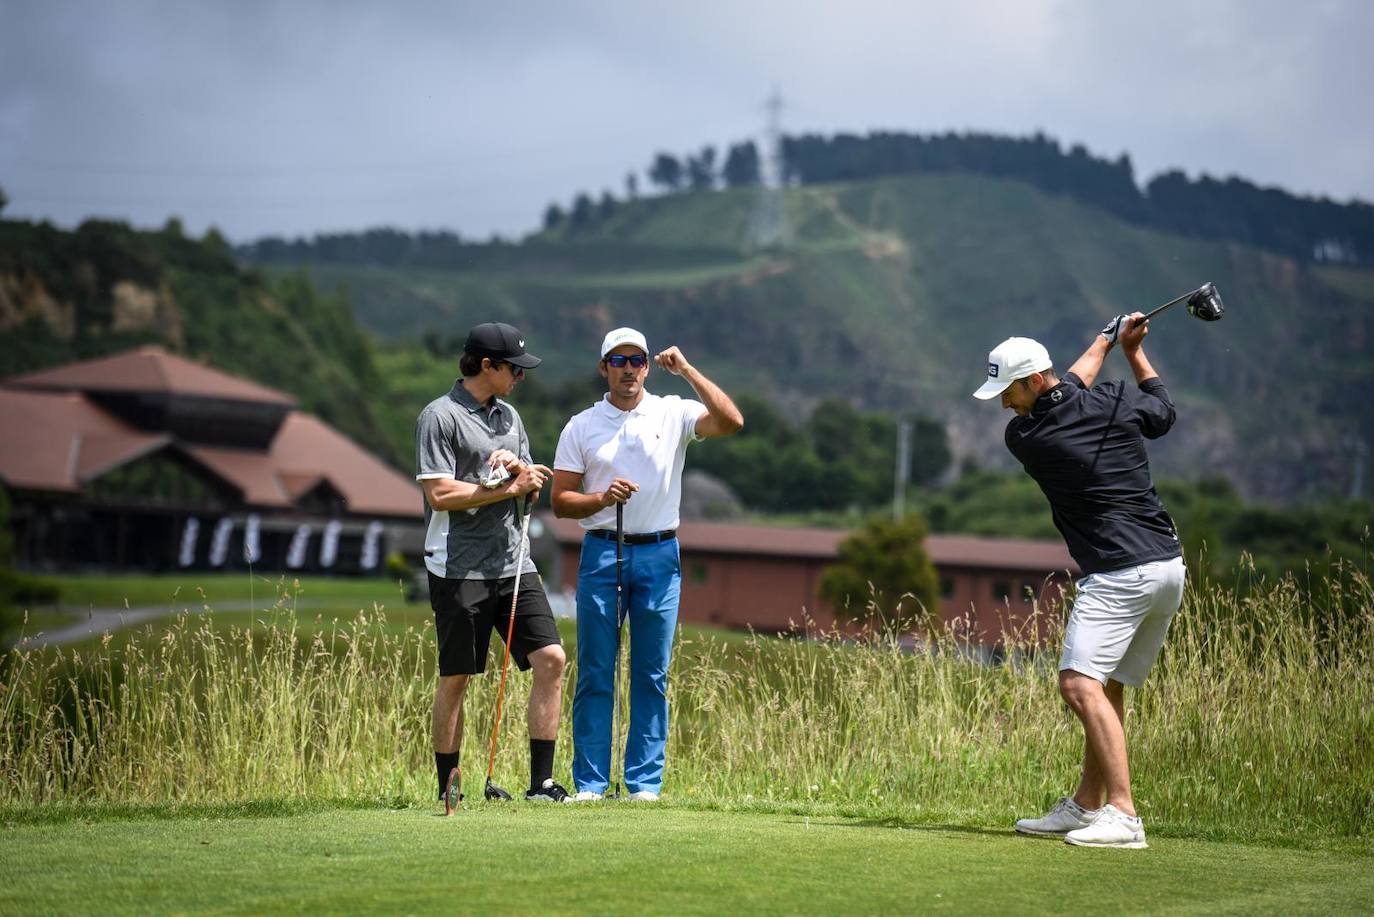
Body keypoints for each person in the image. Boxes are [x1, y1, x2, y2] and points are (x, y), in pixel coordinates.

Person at [972, 312, 1185, 849]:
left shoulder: (1028, 435)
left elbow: (1066, 387)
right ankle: (1088, 806)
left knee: (1076, 684)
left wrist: (1105, 343)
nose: (1003, 403)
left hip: (1118, 573)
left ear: (1033, 381)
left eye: (1008, 390)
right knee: (1106, 686)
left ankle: (1124, 814)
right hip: (1166, 567)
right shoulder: (1114, 401)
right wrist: (1125, 349)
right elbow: (1160, 410)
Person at [552, 327, 743, 801]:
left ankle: (644, 784)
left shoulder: (672, 410)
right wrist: (601, 496)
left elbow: (731, 421)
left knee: (651, 672)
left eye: (637, 360)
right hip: (602, 549)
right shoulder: (582, 425)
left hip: (660, 552)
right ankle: (591, 784)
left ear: (645, 366)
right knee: (597, 668)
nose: (629, 369)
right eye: (618, 361)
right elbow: (560, 501)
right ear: (604, 368)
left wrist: (688, 370)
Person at [415, 321, 570, 812]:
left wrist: (524, 472)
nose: (520, 378)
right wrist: (502, 486)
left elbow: (527, 483)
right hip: (459, 568)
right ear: (487, 366)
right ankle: (449, 786)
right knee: (458, 677)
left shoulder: (511, 417)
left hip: (513, 562)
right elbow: (439, 494)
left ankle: (541, 783)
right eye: (514, 369)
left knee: (551, 659)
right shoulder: (438, 418)